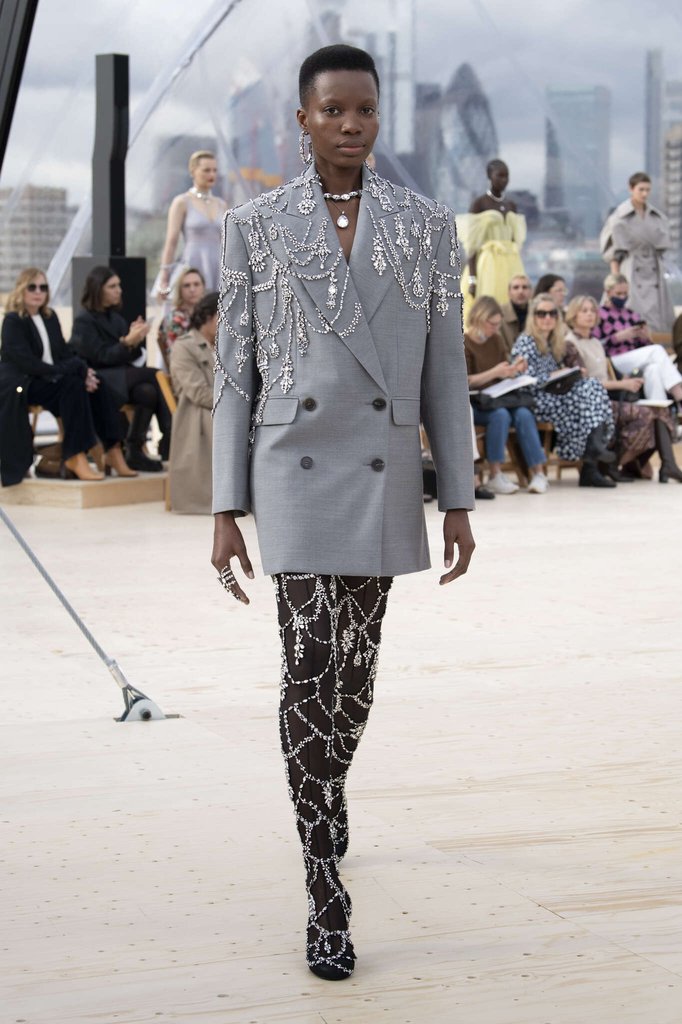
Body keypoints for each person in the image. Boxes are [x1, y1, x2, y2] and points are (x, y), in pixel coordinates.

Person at [210, 44, 475, 982]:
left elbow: (446, 367)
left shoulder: (426, 226)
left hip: (383, 470)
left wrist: (458, 497)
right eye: (333, 110)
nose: (351, 124)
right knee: (309, 670)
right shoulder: (253, 224)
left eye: (364, 109)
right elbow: (235, 368)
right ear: (303, 120)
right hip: (292, 469)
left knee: (353, 680)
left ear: (377, 117)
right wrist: (226, 505)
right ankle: (325, 889)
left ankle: (326, 786)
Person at [0, 267, 135, 486]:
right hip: (24, 382)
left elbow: (63, 352)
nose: (38, 292)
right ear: (21, 290)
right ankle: (75, 455)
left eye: (43, 287)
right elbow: (28, 364)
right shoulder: (13, 321)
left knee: (97, 383)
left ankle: (113, 449)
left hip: (50, 378)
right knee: (72, 385)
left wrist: (85, 372)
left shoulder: (49, 317)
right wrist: (70, 371)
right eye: (32, 287)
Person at [564, 294, 681, 483]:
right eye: (584, 311)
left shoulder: (595, 342)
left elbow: (605, 376)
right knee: (649, 413)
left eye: (592, 310)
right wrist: (621, 384)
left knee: (659, 410)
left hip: (610, 394)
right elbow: (583, 383)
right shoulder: (570, 343)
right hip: (590, 402)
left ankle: (665, 465)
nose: (590, 314)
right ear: (573, 315)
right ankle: (616, 463)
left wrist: (624, 380)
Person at [71, 266, 171, 470]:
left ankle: (134, 449)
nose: (119, 290)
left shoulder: (116, 319)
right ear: (98, 289)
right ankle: (170, 437)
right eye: (112, 286)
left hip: (119, 376)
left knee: (147, 392)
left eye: (119, 285)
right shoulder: (84, 321)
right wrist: (127, 342)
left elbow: (128, 358)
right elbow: (101, 357)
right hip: (96, 379)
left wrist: (135, 339)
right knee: (155, 375)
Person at [511, 293, 616, 488]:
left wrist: (570, 374)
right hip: (535, 399)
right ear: (533, 317)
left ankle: (592, 457)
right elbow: (523, 380)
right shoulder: (526, 341)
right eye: (541, 313)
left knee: (592, 385)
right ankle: (592, 458)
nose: (547, 318)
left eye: (552, 313)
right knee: (589, 394)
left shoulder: (554, 342)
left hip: (554, 394)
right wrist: (554, 375)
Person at [465, 296, 548, 494]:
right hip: (477, 402)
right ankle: (495, 474)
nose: (495, 329)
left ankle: (538, 473)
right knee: (500, 416)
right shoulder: (464, 342)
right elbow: (465, 381)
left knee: (524, 414)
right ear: (478, 318)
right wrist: (495, 372)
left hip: (499, 397)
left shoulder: (496, 339)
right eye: (492, 324)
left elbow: (503, 371)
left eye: (498, 324)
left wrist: (514, 370)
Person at [600, 172, 674, 334]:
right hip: (630, 270)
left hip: (654, 271)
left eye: (648, 190)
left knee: (658, 319)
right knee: (629, 313)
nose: (645, 194)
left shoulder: (657, 217)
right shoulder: (619, 218)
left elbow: (663, 245)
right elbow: (613, 254)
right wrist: (616, 280)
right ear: (631, 189)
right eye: (641, 189)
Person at [594, 273, 682, 405]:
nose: (622, 297)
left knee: (653, 369)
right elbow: (594, 344)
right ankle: (679, 393)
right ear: (608, 292)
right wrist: (617, 338)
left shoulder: (632, 315)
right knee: (656, 350)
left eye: (625, 293)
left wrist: (644, 337)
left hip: (634, 361)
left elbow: (645, 348)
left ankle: (658, 410)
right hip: (612, 361)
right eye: (618, 293)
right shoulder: (599, 314)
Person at [168, 292, 218, 513]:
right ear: (207, 316)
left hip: (225, 409)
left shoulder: (231, 346)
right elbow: (198, 393)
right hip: (200, 414)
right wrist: (236, 405)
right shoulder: (184, 346)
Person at [457, 159, 527, 311]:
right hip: (488, 263)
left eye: (506, 176)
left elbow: (515, 238)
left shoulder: (511, 205)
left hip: (511, 261)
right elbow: (472, 245)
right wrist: (472, 278)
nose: (504, 180)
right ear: (490, 176)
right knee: (488, 305)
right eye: (499, 176)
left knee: (515, 302)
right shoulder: (480, 203)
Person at [156, 151, 228, 296]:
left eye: (214, 170)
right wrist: (165, 275)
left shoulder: (222, 204)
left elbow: (227, 242)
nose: (211, 174)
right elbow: (172, 241)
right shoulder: (182, 202)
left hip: (217, 265)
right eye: (206, 170)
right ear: (193, 171)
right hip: (192, 261)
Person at [163, 267, 206, 349]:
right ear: (180, 290)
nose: (192, 289)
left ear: (203, 287)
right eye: (187, 285)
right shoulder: (175, 319)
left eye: (196, 284)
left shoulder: (207, 315)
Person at [499, 274, 532, 353]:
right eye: (516, 287)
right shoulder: (499, 314)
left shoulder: (539, 313)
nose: (520, 291)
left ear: (531, 292)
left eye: (525, 287)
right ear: (509, 293)